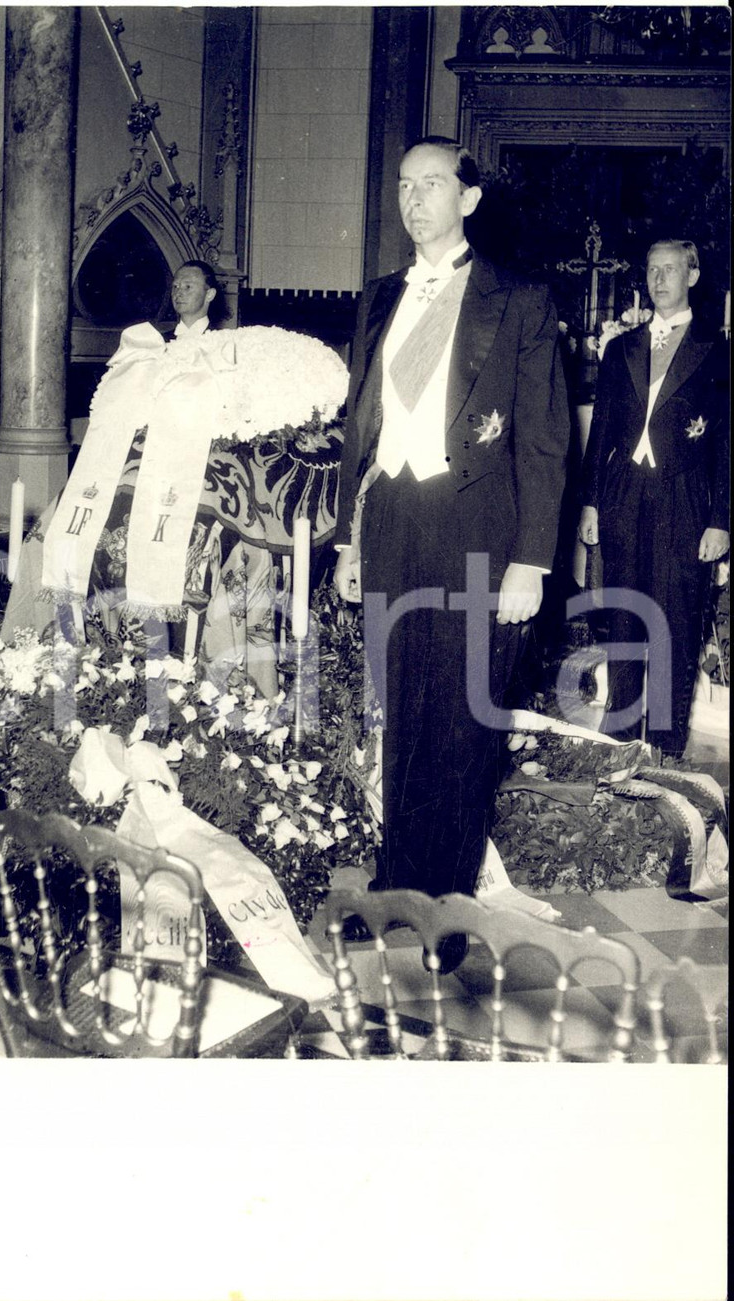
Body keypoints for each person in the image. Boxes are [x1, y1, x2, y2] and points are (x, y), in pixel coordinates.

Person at [334, 137, 569, 969]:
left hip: (480, 531)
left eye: (432, 183)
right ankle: (398, 887)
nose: (415, 198)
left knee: (465, 721)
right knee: (401, 711)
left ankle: (446, 907)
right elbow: (360, 435)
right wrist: (348, 538)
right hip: (393, 516)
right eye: (404, 184)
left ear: (468, 198)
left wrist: (531, 562)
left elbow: (544, 443)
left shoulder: (521, 302)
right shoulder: (377, 299)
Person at [579, 239, 729, 755]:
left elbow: (729, 442)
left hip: (684, 499)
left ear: (692, 275)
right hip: (623, 496)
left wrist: (721, 518)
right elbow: (600, 431)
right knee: (624, 616)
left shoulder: (717, 349)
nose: (660, 279)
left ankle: (664, 749)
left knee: (673, 621)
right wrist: (592, 501)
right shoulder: (621, 348)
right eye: (652, 269)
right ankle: (621, 744)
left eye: (671, 269)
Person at [168, 259, 227, 338]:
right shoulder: (158, 342)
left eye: (188, 287)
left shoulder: (222, 342)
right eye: (175, 286)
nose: (178, 293)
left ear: (209, 294)